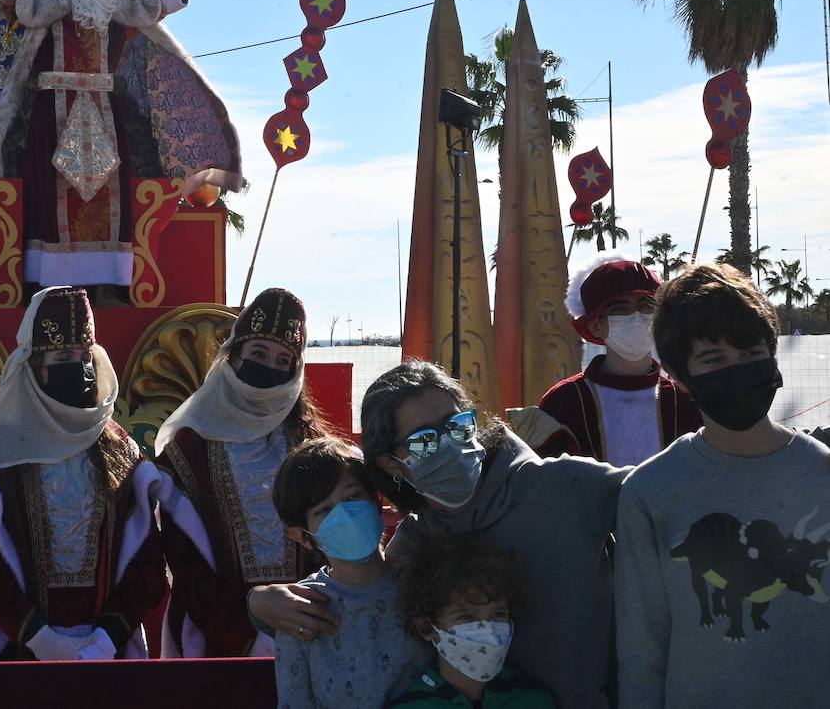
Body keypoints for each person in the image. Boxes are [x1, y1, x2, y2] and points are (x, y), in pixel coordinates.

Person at [250, 360, 626, 708]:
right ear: (390, 464)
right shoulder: (417, 544)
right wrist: (257, 603)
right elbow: (366, 589)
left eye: (457, 424)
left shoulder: (566, 487)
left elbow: (661, 496)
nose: (449, 443)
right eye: (424, 441)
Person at [0, 0, 242, 294]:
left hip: (106, 115)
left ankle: (107, 286)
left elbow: (157, 1)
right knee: (48, 196)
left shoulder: (116, 3)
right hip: (51, 114)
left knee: (109, 195)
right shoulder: (42, 2)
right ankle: (45, 285)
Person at [615, 264, 830, 706]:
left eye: (751, 352)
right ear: (678, 377)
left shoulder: (823, 473)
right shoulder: (650, 491)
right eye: (714, 360)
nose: (738, 369)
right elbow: (642, 649)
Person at [0, 286, 167, 661]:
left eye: (82, 356)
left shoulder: (121, 451)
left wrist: (108, 638)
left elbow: (148, 560)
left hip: (106, 654)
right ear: (33, 368)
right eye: (61, 356)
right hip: (12, 652)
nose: (76, 367)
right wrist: (38, 637)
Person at [153, 287, 329, 657]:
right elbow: (186, 564)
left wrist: (313, 621)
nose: (270, 366)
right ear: (232, 358)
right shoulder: (187, 450)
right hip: (216, 639)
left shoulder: (313, 446)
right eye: (259, 353)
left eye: (284, 360)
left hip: (313, 635)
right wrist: (246, 637)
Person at [271, 436, 429, 709]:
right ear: (302, 536)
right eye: (324, 510)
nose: (344, 514)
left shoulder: (423, 583)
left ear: (377, 501)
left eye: (353, 496)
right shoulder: (302, 610)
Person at [535, 253, 701, 464]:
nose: (636, 317)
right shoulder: (564, 401)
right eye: (620, 309)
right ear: (596, 325)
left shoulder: (684, 399)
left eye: (645, 307)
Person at [390, 534, 554, 708]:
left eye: (498, 614)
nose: (488, 630)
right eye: (466, 617)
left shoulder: (534, 701)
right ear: (425, 626)